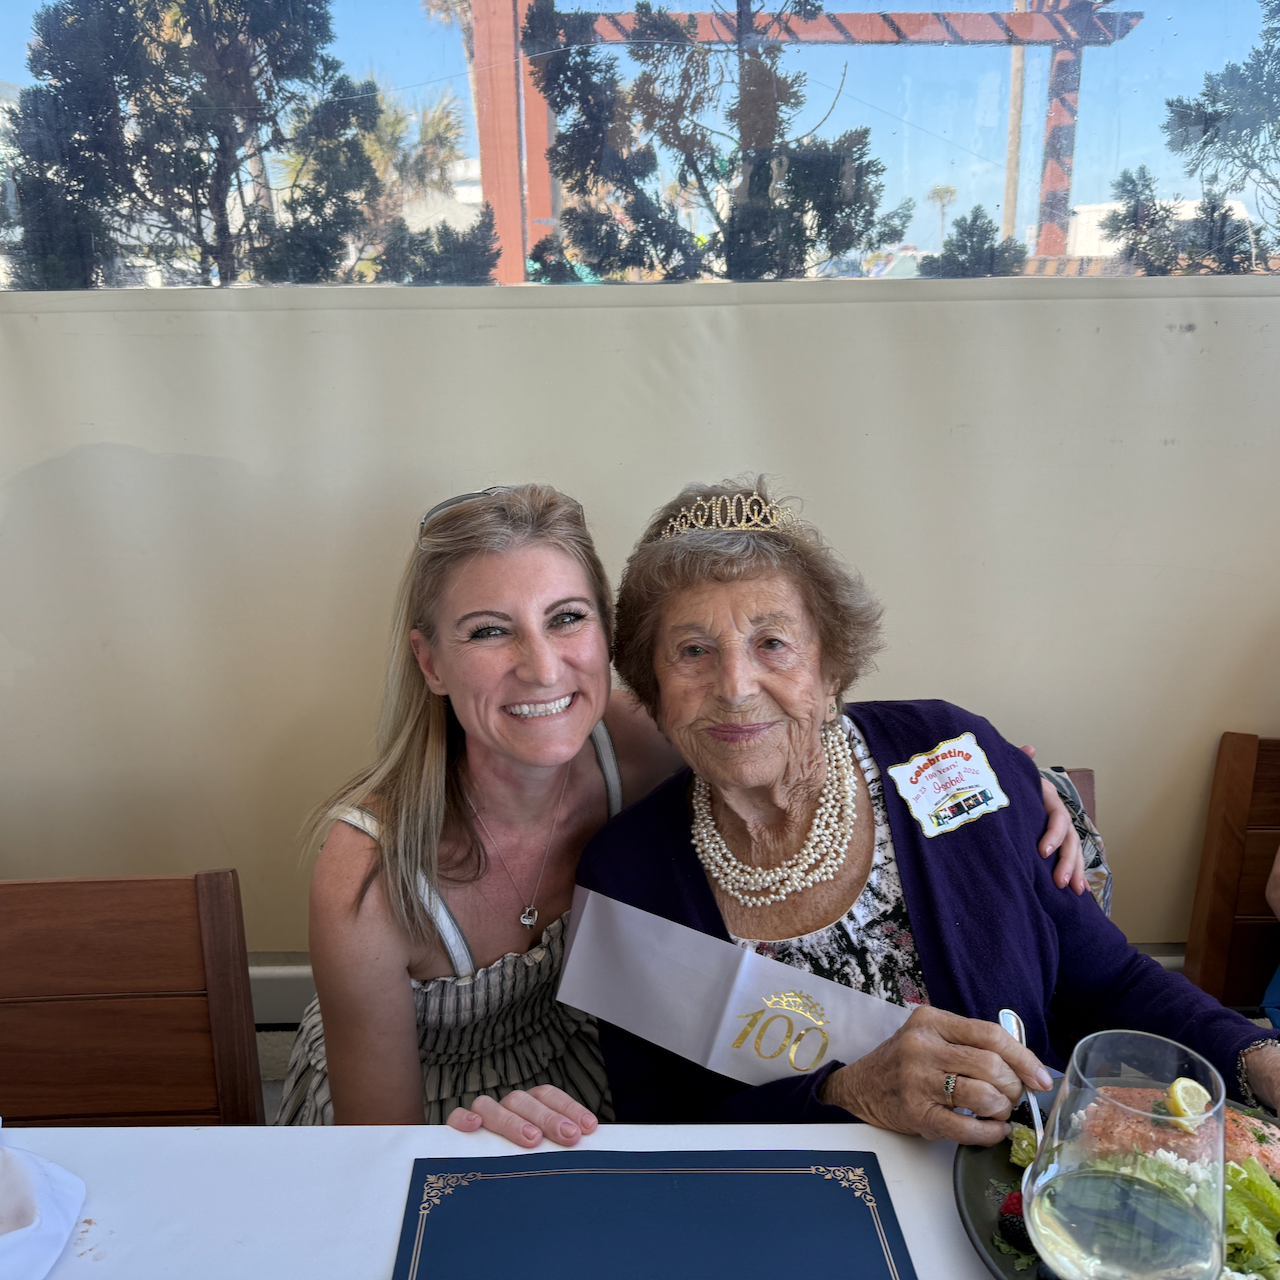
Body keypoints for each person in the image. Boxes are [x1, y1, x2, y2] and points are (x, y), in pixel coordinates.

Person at [276, 484, 1085, 1142]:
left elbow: (782, 715)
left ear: (604, 635)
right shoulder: (368, 873)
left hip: (598, 1083)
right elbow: (373, 1153)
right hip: (434, 1121)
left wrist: (1017, 781)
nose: (541, 666)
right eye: (490, 632)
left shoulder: (645, 738)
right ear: (431, 662)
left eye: (567, 618)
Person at [574, 478, 1280, 1140]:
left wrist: (1255, 1058)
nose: (735, 684)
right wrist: (840, 1095)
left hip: (1015, 1190)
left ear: (829, 668)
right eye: (692, 651)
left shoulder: (944, 751)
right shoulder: (626, 875)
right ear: (654, 686)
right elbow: (661, 1125)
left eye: (772, 643)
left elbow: (1110, 979)